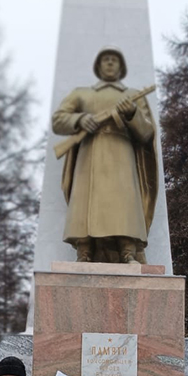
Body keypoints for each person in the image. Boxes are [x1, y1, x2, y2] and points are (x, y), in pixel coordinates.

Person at [52, 46, 157, 264]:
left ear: (121, 67)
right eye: (106, 59)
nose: (110, 63)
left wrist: (132, 113)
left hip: (122, 153)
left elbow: (147, 133)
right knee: (85, 203)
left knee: (125, 203)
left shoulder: (131, 96)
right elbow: (58, 120)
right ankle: (84, 251)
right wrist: (80, 120)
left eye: (114, 60)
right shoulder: (81, 93)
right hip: (89, 152)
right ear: (98, 66)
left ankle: (128, 250)